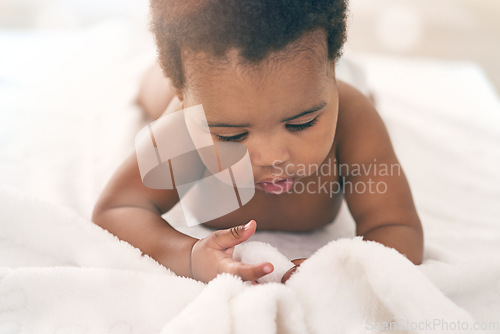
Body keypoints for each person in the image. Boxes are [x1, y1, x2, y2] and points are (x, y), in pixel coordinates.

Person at [92, 0, 424, 284]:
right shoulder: (184, 126)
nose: (271, 157)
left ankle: (348, 75)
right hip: (190, 87)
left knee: (355, 89)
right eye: (231, 135)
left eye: (302, 123)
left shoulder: (353, 119)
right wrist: (189, 255)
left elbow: (396, 226)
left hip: (328, 80)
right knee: (153, 90)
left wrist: (346, 271)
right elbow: (119, 209)